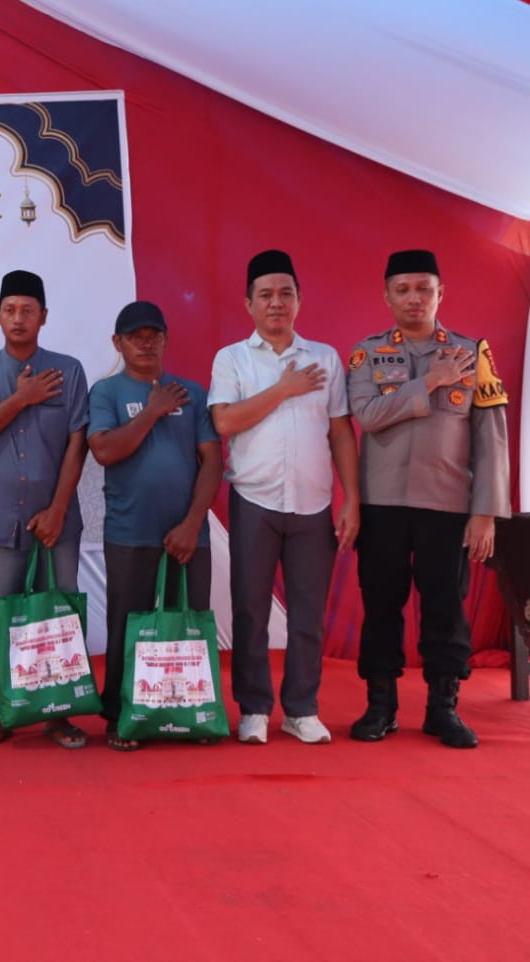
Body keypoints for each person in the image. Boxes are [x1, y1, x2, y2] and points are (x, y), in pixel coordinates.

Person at [346, 249, 510, 748]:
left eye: (423, 288)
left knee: (445, 607)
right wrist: (431, 381)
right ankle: (381, 706)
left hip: (448, 507)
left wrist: (486, 513)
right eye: (403, 289)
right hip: (382, 506)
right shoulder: (367, 354)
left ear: (441, 293)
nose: (413, 298)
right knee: (381, 605)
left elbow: (491, 439)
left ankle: (444, 708)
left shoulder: (472, 353)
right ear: (387, 296)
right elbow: (368, 416)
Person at [209, 250, 359, 745]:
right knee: (250, 610)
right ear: (249, 303)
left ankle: (302, 709)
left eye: (286, 293)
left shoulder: (325, 358)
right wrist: (284, 388)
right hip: (254, 500)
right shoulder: (232, 358)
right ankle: (254, 708)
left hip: (314, 504)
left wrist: (351, 498)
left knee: (309, 613)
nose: (277, 303)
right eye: (266, 295)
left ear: (299, 300)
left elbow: (340, 432)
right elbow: (224, 420)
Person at [0, 270, 90, 749]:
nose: (18, 318)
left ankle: (59, 713)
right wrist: (20, 399)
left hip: (58, 523)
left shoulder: (68, 371)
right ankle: (1, 710)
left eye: (27, 310)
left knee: (60, 618)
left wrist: (58, 510)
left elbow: (78, 443)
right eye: (10, 310)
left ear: (43, 317)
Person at [87, 299, 222, 750]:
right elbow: (105, 451)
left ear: (166, 340)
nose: (145, 343)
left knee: (187, 625)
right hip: (130, 531)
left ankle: (192, 712)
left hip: (189, 533)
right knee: (129, 626)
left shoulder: (192, 392)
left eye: (153, 335)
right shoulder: (106, 392)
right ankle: (121, 716)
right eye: (135, 337)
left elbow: (212, 461)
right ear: (118, 343)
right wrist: (151, 410)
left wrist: (192, 524)